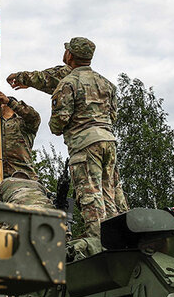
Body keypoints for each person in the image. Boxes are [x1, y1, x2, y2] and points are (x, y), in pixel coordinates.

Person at [7, 40, 129, 221]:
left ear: (70, 55)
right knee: (109, 194)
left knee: (90, 196)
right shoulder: (107, 84)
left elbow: (58, 123)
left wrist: (61, 125)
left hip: (84, 145)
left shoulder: (67, 83)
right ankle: (115, 237)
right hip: (109, 142)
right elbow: (113, 116)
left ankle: (97, 239)